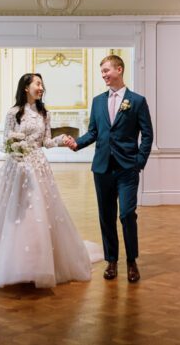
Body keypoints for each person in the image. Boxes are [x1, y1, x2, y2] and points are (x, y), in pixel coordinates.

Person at [0, 73, 103, 289]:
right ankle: (11, 263)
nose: (41, 87)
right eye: (37, 83)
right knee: (14, 213)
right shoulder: (13, 113)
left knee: (40, 213)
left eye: (42, 84)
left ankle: (37, 263)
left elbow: (45, 141)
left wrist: (62, 140)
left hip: (38, 166)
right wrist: (16, 152)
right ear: (26, 87)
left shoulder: (44, 113)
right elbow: (7, 141)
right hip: (16, 168)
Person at [65, 54, 153, 283]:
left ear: (119, 69)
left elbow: (147, 135)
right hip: (102, 168)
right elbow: (94, 132)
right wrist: (77, 143)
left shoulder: (137, 101)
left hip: (127, 169)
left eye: (106, 70)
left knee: (126, 214)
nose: (103, 75)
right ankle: (111, 261)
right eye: (101, 72)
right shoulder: (97, 101)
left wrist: (139, 162)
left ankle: (131, 261)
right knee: (106, 216)